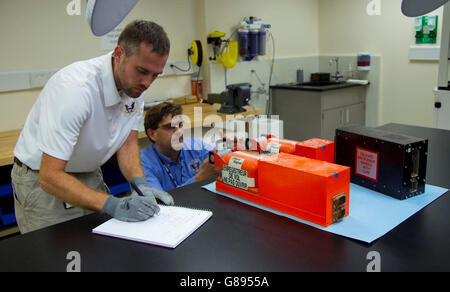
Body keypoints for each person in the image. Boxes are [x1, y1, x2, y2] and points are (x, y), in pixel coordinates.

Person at [11, 20, 174, 234]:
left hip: (89, 173)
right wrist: (113, 205)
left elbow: (127, 142)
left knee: (99, 252)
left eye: (155, 75)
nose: (147, 83)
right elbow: (50, 176)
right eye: (142, 71)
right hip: (45, 181)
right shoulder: (76, 89)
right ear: (118, 54)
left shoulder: (135, 87)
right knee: (55, 259)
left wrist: (140, 183)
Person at [141, 102, 221, 191]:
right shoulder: (142, 163)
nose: (179, 131)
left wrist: (233, 152)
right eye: (170, 127)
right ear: (152, 134)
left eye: (180, 125)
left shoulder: (195, 145)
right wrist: (199, 178)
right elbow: (156, 202)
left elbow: (220, 163)